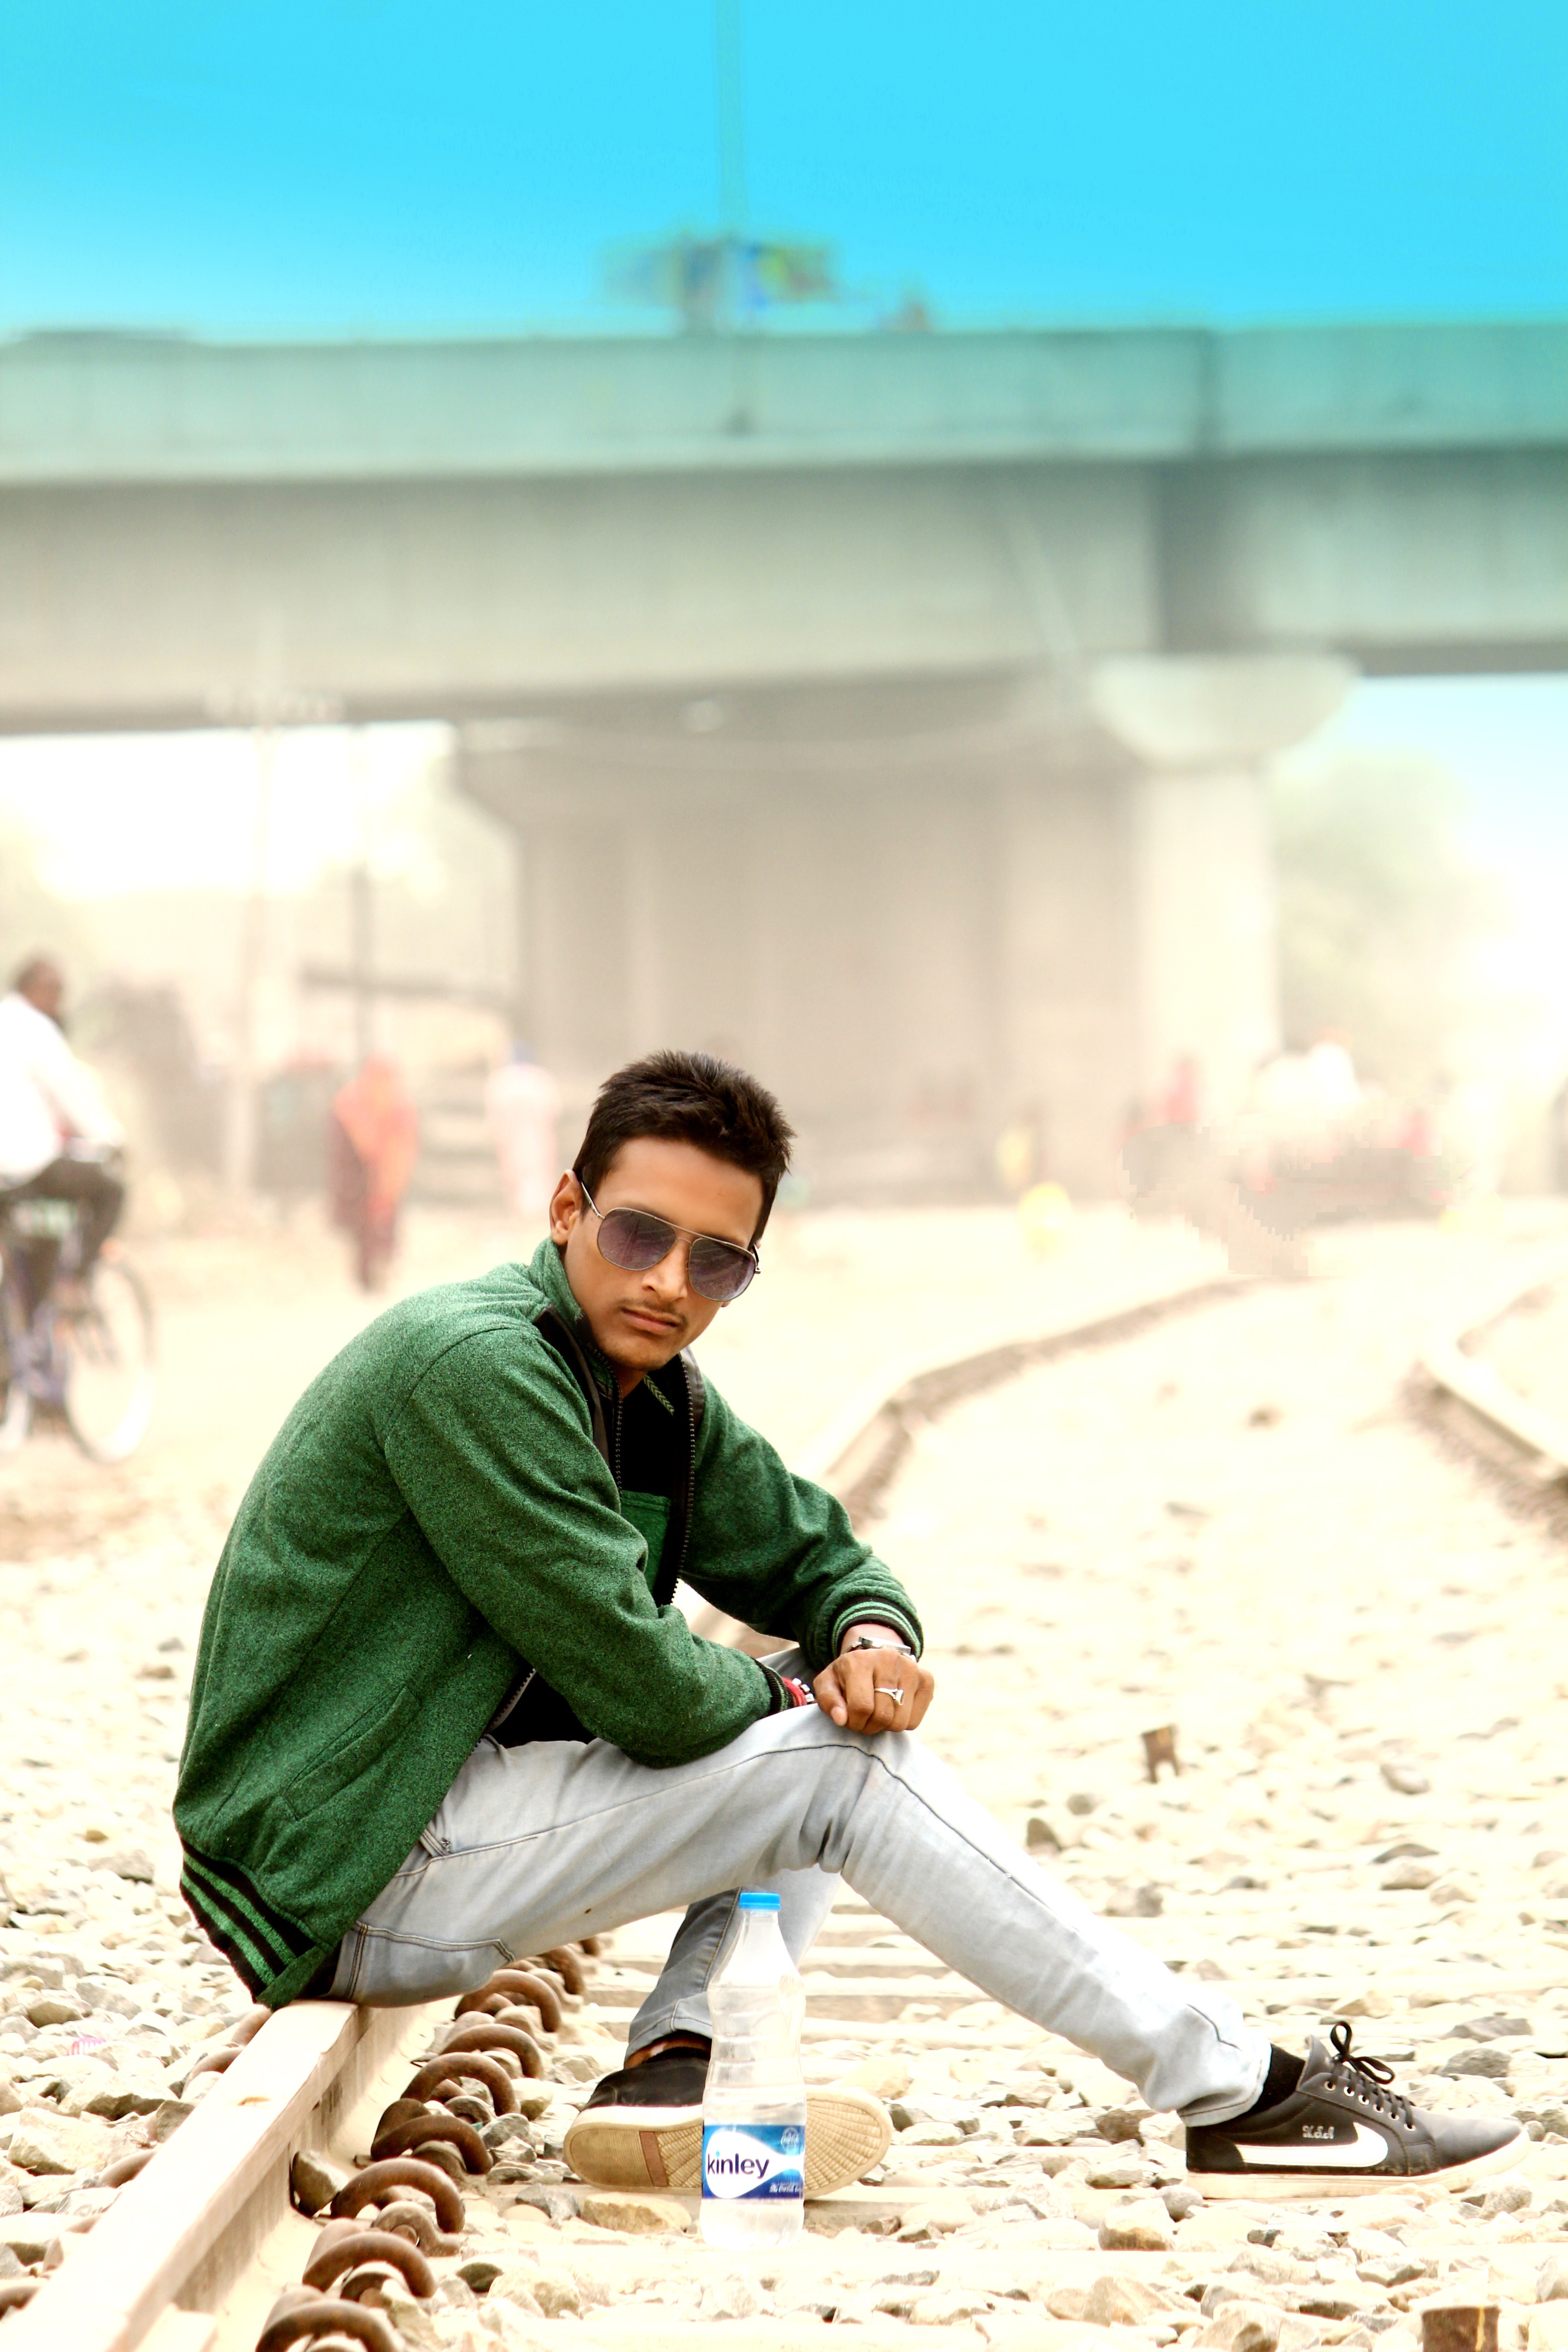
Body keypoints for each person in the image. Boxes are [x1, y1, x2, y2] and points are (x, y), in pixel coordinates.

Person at [175, 1050, 1521, 2202]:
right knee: (835, 1760)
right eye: (639, 1236)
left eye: (716, 1260)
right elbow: (649, 1693)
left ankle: (679, 2065)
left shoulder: (650, 1392)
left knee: (822, 1700)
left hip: (426, 1812)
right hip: (344, 1860)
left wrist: (867, 1638)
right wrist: (813, 1703)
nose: (671, 1282)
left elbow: (819, 1555)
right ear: (567, 1207)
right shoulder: (479, 1367)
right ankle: (1241, 2091)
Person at [0, 956, 125, 1302]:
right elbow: (72, 1094)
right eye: (56, 994)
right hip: (26, 1167)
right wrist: (112, 1139)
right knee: (110, 1190)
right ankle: (75, 1284)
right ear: (39, 991)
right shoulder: (37, 1029)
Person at [328, 1054, 419, 1290]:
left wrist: (390, 1173)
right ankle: (365, 1276)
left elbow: (405, 1145)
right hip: (358, 1175)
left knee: (386, 1221)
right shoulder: (350, 1103)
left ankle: (384, 1267)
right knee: (362, 1227)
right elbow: (342, 1148)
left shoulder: (400, 1106)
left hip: (388, 1176)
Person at [485, 1041, 561, 1223]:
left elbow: (494, 1114)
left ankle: (526, 1211)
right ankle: (533, 1211)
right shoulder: (540, 1079)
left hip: (517, 1135)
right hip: (535, 1134)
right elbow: (554, 1110)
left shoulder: (501, 1080)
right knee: (536, 1170)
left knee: (520, 1171)